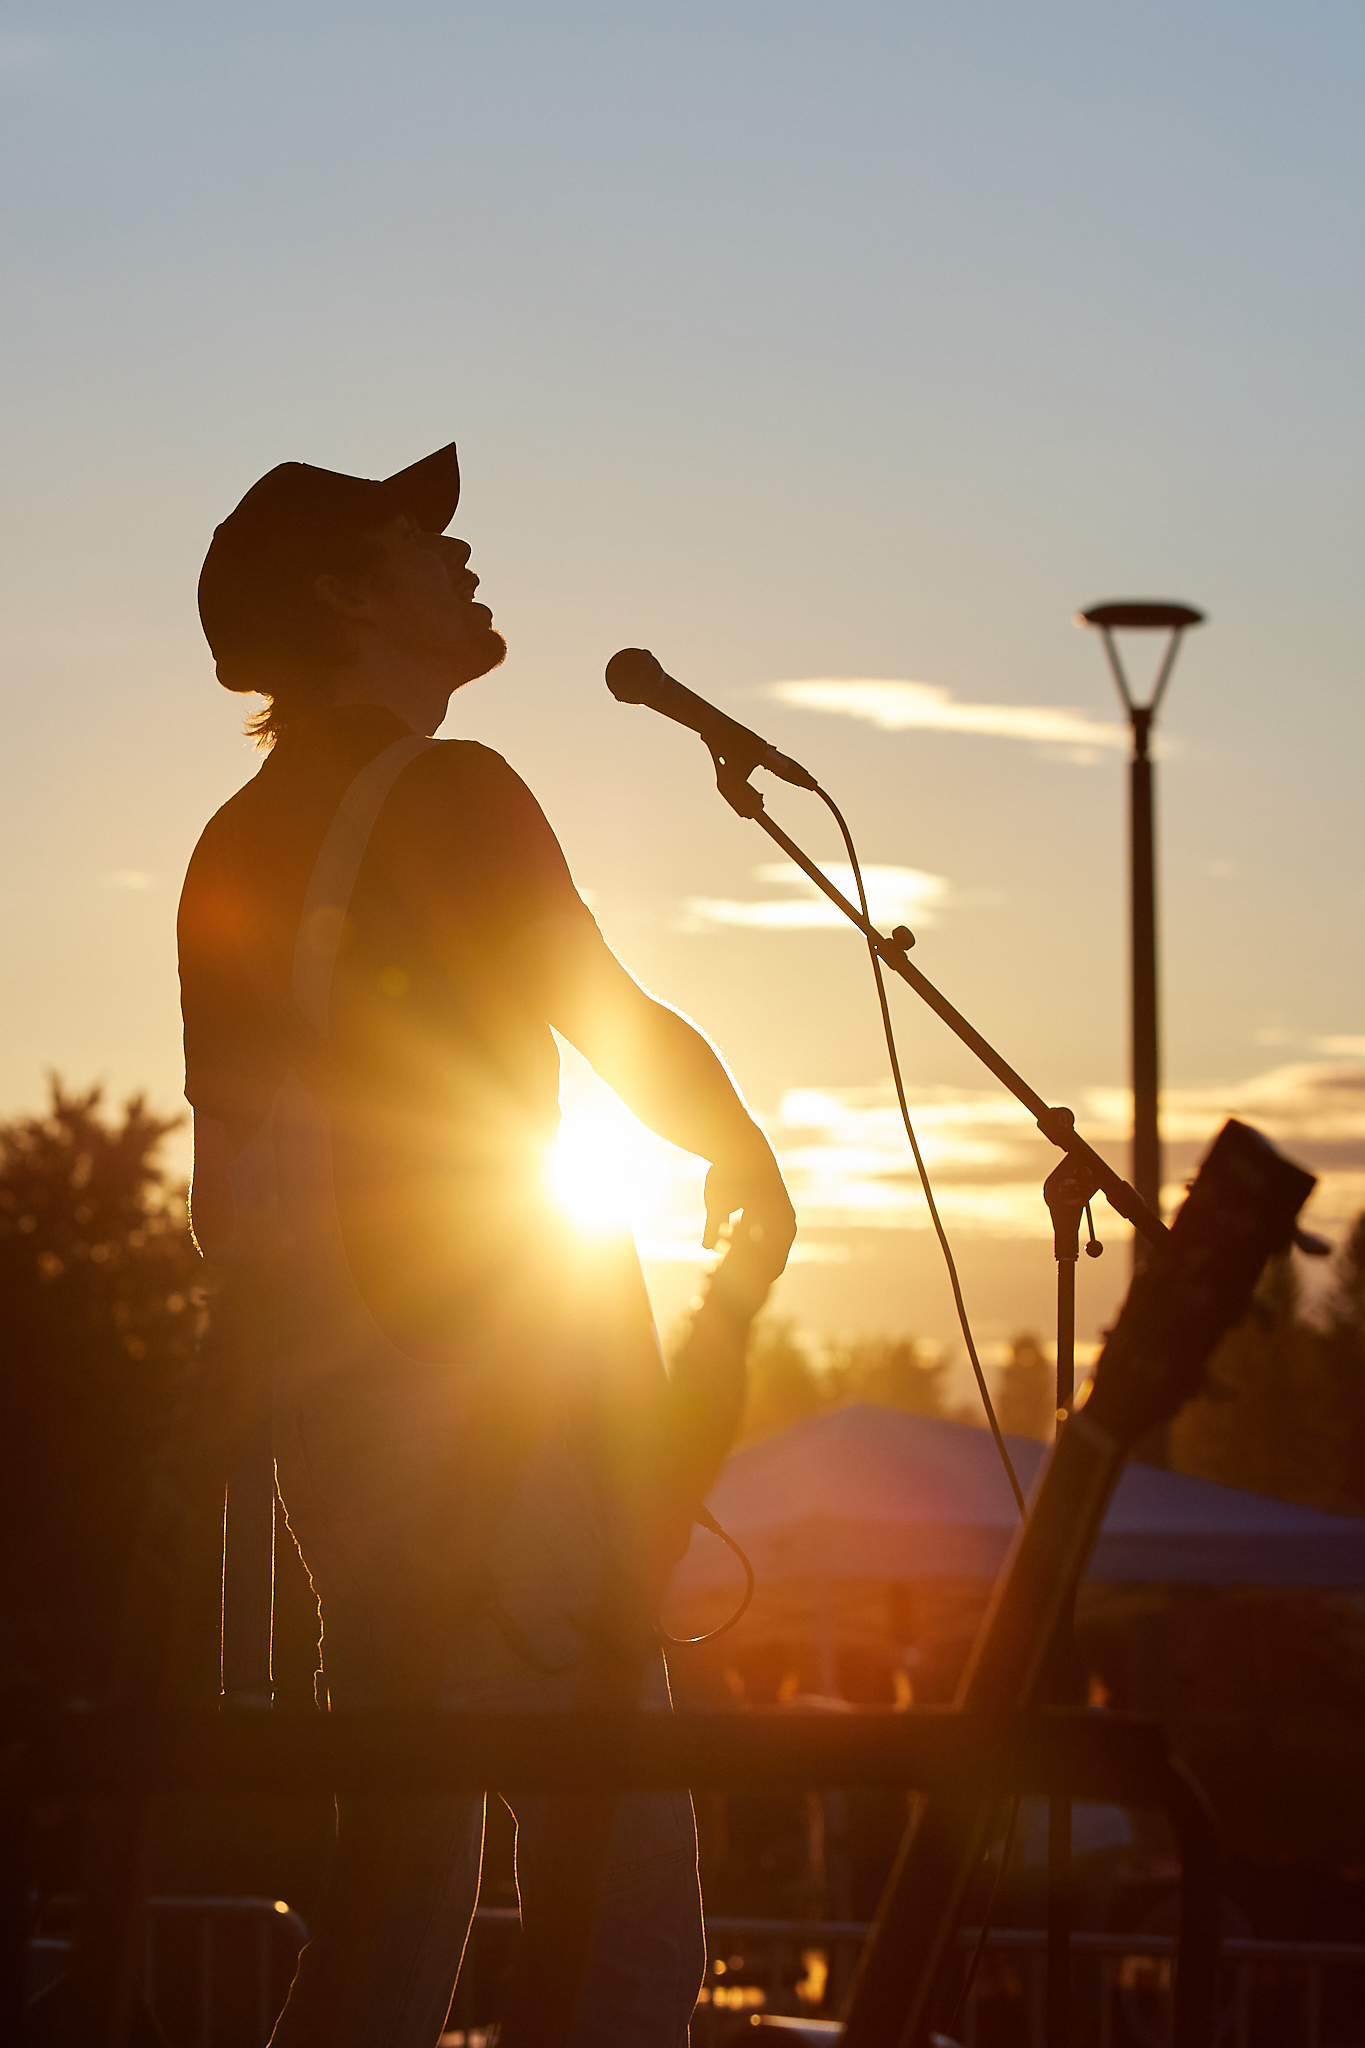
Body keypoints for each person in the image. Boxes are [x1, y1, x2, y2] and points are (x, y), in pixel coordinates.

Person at [179, 440, 795, 2047]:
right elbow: (604, 1016)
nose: (458, 559)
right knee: (626, 1887)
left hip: (342, 1428)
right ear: (340, 591)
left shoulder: (231, 847)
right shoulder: (453, 787)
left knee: (398, 1890)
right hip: (500, 1415)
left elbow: (219, 1196)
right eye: (413, 540)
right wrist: (743, 1159)